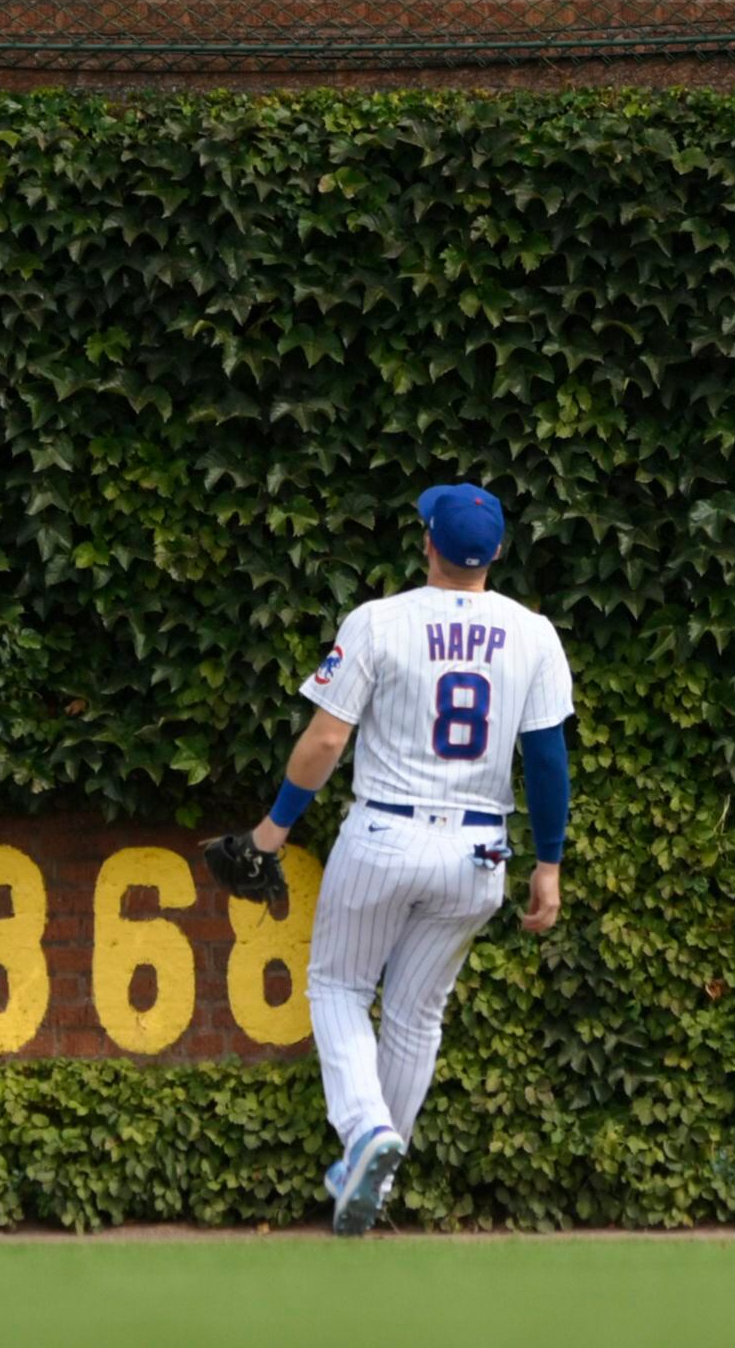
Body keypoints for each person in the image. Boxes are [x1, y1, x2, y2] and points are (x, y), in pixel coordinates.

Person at [198, 481, 572, 1239]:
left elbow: (327, 742)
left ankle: (367, 1134)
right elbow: (546, 759)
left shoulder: (379, 622)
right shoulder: (534, 634)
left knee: (337, 984)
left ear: (426, 543)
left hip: (385, 834)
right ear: (496, 552)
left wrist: (271, 833)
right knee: (416, 1013)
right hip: (478, 849)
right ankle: (372, 1173)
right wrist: (550, 863)